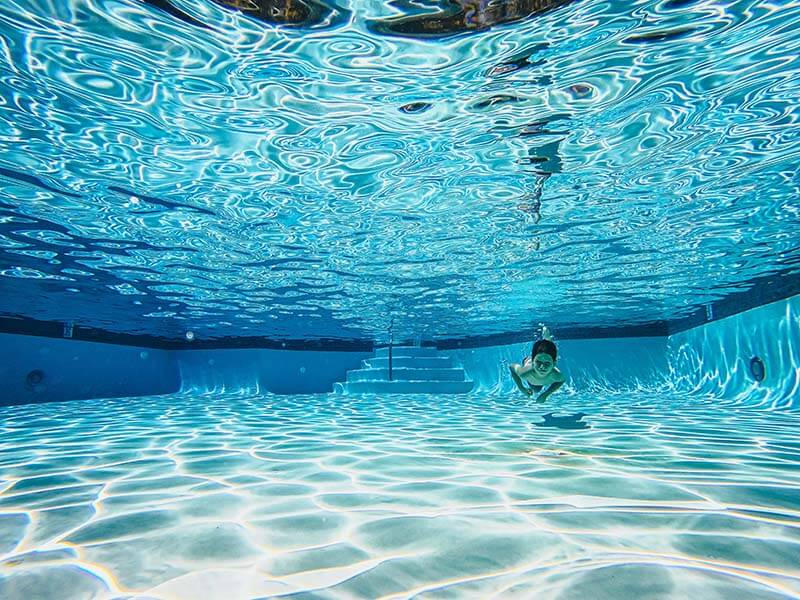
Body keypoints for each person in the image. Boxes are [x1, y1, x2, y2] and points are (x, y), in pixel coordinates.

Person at [509, 327, 565, 402]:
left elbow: (561, 381)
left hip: (536, 360)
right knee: (536, 390)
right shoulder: (524, 373)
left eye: (547, 363)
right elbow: (511, 367)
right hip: (528, 362)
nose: (542, 367)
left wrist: (546, 394)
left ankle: (547, 342)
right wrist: (521, 388)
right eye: (539, 363)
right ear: (533, 361)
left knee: (547, 352)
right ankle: (546, 342)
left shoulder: (557, 375)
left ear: (554, 364)